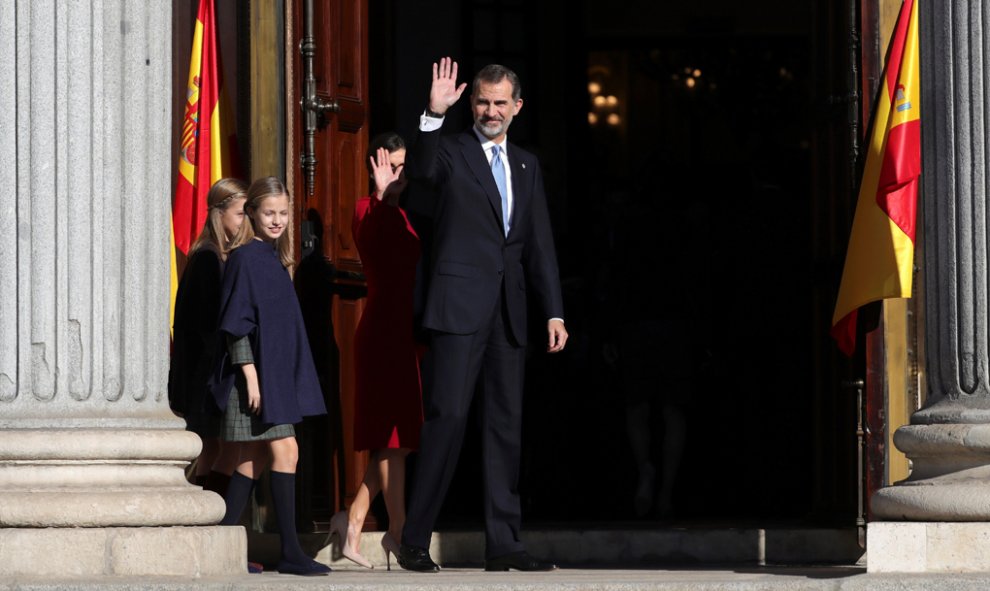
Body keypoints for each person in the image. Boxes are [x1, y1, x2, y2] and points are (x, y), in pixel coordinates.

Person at [396, 58, 568, 573]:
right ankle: (414, 540)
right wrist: (433, 112)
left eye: (499, 102)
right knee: (447, 419)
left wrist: (554, 311)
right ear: (471, 105)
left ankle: (505, 543)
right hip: (457, 310)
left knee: (504, 428)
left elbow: (539, 244)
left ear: (517, 107)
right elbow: (422, 174)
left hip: (509, 314)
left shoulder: (527, 164)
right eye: (482, 102)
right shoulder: (451, 150)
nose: (490, 111)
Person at [211, 176, 331, 576]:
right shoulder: (245, 257)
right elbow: (236, 324)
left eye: (283, 213)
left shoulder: (274, 259)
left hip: (276, 374)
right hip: (258, 379)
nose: (277, 220)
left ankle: (222, 542)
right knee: (287, 452)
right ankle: (292, 552)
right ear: (252, 213)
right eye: (269, 213)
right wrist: (251, 377)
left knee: (254, 459)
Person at [330, 133, 424, 570]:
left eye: (404, 166)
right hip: (380, 333)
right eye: (392, 165)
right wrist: (383, 195)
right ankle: (400, 532)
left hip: (402, 335)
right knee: (392, 442)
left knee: (399, 443)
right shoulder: (368, 211)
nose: (399, 174)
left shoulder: (404, 215)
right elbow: (370, 241)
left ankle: (351, 524)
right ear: (375, 165)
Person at [168, 178, 248, 496]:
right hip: (203, 376)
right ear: (220, 213)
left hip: (204, 373)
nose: (245, 221)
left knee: (213, 451)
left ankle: (202, 509)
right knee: (218, 450)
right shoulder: (207, 259)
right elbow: (204, 325)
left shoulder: (213, 256)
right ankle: (204, 510)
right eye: (241, 213)